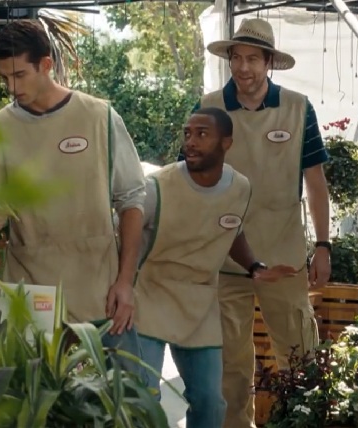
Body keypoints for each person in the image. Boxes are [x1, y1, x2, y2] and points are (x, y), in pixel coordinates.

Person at [0, 20, 146, 370]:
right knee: (37, 400)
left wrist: (126, 282)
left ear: (46, 64)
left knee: (127, 397)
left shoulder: (99, 117)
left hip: (101, 294)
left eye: (19, 75)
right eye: (4, 78)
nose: (11, 87)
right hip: (30, 298)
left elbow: (131, 200)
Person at [187, 18, 333, 428]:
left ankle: (301, 423)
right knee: (229, 366)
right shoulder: (208, 108)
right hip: (225, 259)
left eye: (253, 59)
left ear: (269, 62)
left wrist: (323, 245)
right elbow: (190, 180)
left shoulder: (298, 108)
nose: (243, 68)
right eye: (237, 58)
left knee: (300, 356)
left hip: (284, 257)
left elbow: (315, 182)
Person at [137, 107, 301, 428]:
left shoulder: (240, 188)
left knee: (211, 402)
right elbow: (122, 233)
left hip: (199, 306)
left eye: (202, 134)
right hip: (148, 298)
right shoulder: (156, 186)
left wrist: (255, 266)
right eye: (187, 133)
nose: (191, 142)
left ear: (226, 143)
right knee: (143, 397)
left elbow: (232, 230)